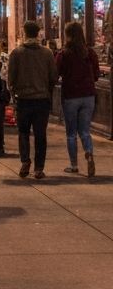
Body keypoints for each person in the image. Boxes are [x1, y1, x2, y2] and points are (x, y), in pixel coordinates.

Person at [8, 20, 58, 180]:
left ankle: (25, 161)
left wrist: (14, 93)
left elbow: (11, 79)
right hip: (42, 99)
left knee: (23, 133)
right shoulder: (47, 53)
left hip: (23, 99)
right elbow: (53, 77)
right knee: (40, 135)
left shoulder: (16, 53)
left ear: (24, 33)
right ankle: (39, 168)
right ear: (38, 34)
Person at [56, 21, 99, 177]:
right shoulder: (90, 53)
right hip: (88, 95)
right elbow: (96, 74)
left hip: (71, 96)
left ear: (67, 35)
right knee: (85, 131)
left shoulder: (64, 54)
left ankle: (74, 165)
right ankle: (88, 152)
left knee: (71, 133)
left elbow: (56, 73)